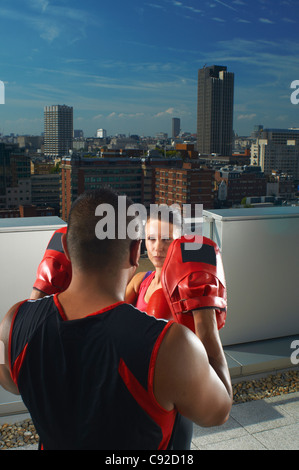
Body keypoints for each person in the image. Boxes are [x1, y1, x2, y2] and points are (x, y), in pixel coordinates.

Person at [0, 188, 232, 450]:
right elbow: (218, 412)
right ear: (136, 251)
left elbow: (12, 381)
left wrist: (38, 294)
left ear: (65, 247)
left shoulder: (12, 321)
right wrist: (204, 315)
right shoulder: (170, 346)